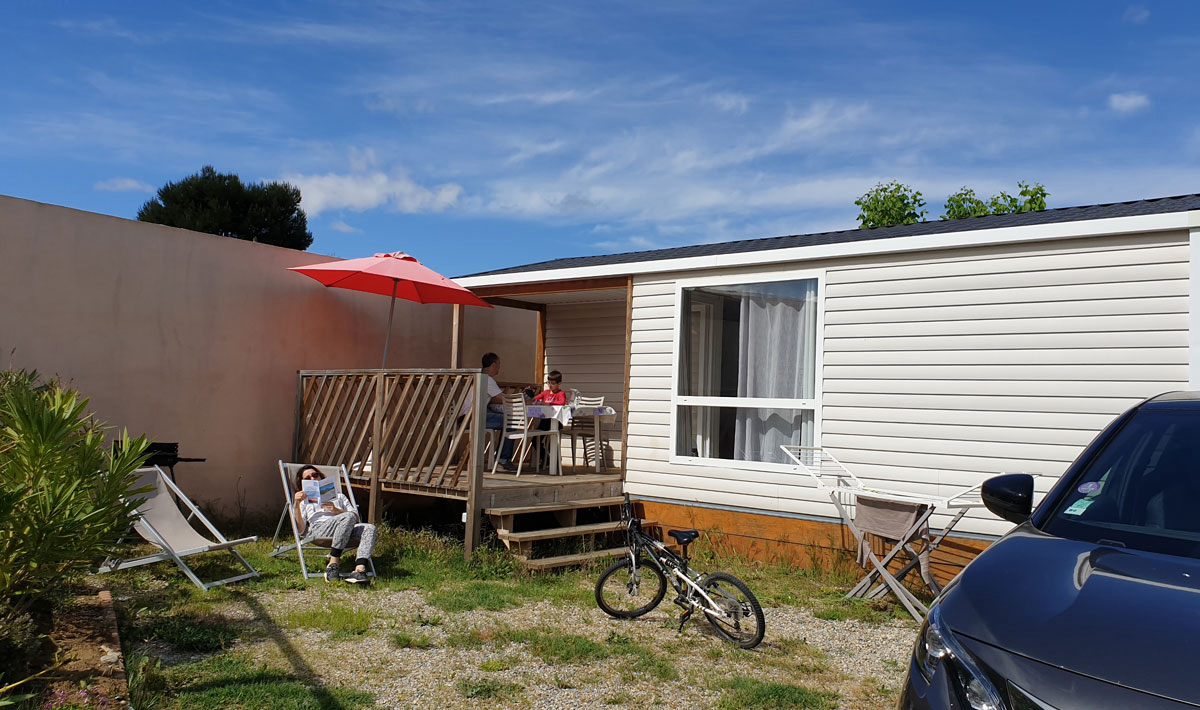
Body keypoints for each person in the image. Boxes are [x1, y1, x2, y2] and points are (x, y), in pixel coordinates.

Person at [292, 465, 376, 584]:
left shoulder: (339, 496)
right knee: (348, 516)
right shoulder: (303, 502)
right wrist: (296, 503)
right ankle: (333, 564)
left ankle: (359, 570)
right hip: (320, 530)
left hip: (346, 527)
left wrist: (337, 511)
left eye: (315, 475)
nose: (313, 479)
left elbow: (356, 518)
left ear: (321, 476)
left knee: (370, 528)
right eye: (307, 478)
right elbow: (300, 530)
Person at [459, 352, 516, 470]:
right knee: (510, 422)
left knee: (506, 420)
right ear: (493, 365)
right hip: (472, 418)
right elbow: (503, 398)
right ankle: (502, 460)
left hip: (467, 416)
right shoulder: (487, 379)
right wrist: (523, 401)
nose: (500, 367)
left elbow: (495, 399)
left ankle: (501, 459)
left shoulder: (481, 377)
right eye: (499, 364)